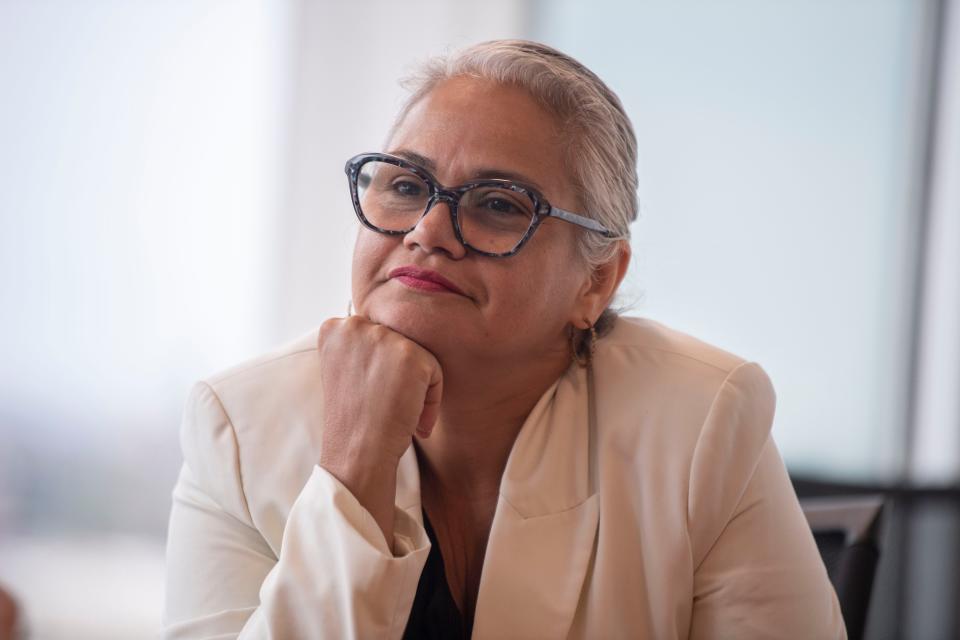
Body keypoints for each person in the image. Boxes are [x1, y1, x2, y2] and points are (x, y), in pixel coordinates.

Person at [163, 40, 845, 639]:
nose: (428, 229)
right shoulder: (239, 430)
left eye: (497, 204)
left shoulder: (699, 420)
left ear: (596, 282)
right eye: (405, 184)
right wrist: (353, 464)